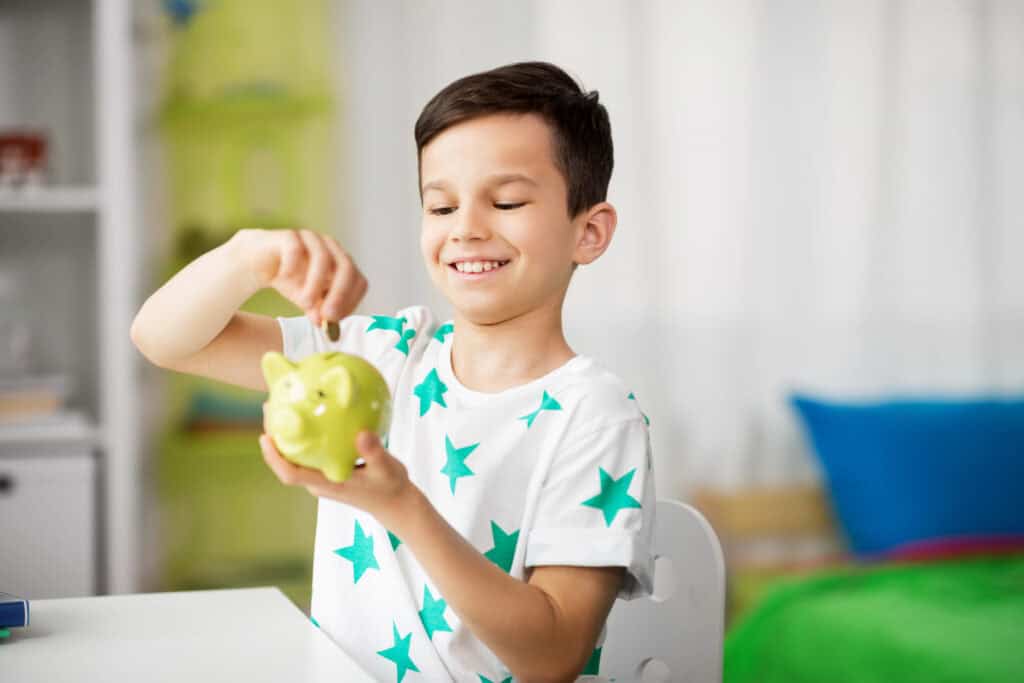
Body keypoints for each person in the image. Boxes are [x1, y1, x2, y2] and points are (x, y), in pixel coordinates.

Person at [132, 61, 655, 683]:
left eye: (507, 201)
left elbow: (552, 658)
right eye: (440, 206)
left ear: (589, 232)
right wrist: (249, 255)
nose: (466, 228)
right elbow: (163, 339)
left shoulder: (596, 415)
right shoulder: (380, 352)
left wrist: (400, 506)